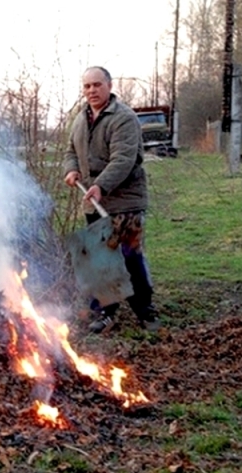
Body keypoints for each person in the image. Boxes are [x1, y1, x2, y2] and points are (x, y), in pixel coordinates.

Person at [63, 66, 160, 333]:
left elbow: (124, 160)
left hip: (125, 201)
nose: (92, 91)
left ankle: (145, 310)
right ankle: (105, 313)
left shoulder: (124, 118)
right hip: (93, 200)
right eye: (87, 86)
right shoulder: (80, 119)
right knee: (100, 259)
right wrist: (71, 169)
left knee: (129, 256)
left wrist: (101, 186)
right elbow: (71, 151)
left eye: (97, 85)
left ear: (109, 85)